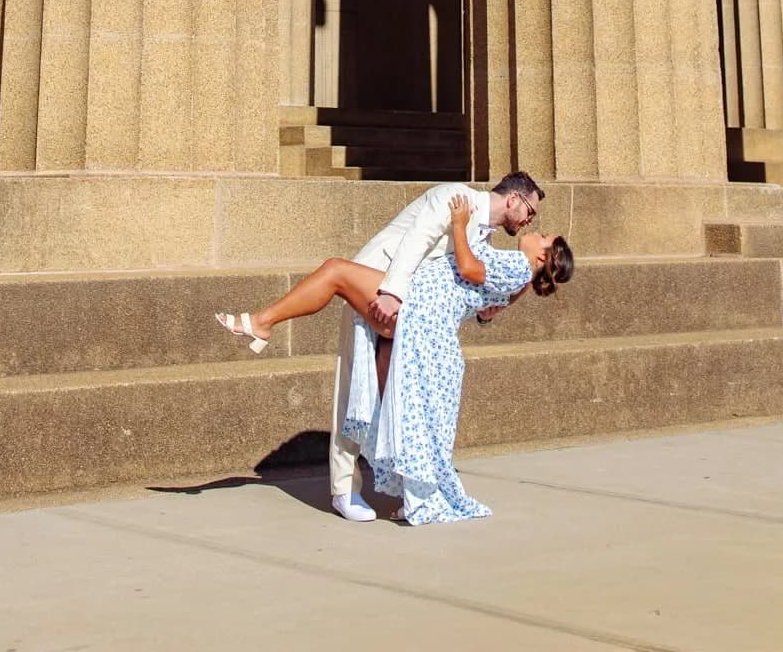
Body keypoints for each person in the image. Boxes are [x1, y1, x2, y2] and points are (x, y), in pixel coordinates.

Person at [215, 189, 573, 524]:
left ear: (542, 256)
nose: (533, 225)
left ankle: (262, 322)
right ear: (514, 199)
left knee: (335, 271)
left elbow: (468, 270)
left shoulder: (515, 264)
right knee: (393, 409)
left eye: (542, 235)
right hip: (415, 307)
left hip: (417, 313)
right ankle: (409, 495)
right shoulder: (496, 245)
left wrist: (459, 228)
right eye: (532, 213)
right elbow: (479, 295)